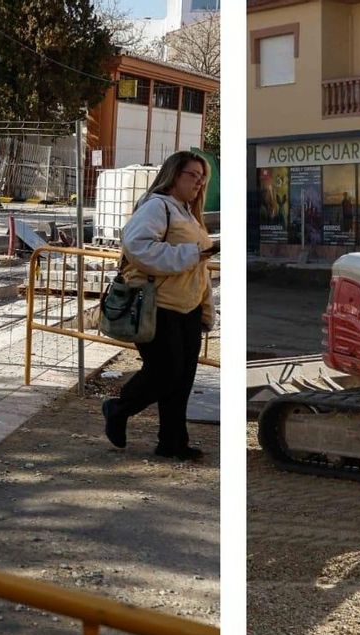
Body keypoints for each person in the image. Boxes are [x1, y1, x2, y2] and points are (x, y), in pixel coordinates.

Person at [102, 150, 218, 462]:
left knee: (182, 380)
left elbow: (199, 266)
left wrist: (206, 307)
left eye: (201, 177)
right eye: (192, 175)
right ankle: (119, 408)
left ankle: (173, 441)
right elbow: (138, 247)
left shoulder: (186, 212)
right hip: (159, 305)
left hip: (187, 307)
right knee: (167, 372)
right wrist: (194, 253)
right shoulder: (157, 206)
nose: (198, 182)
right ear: (173, 175)